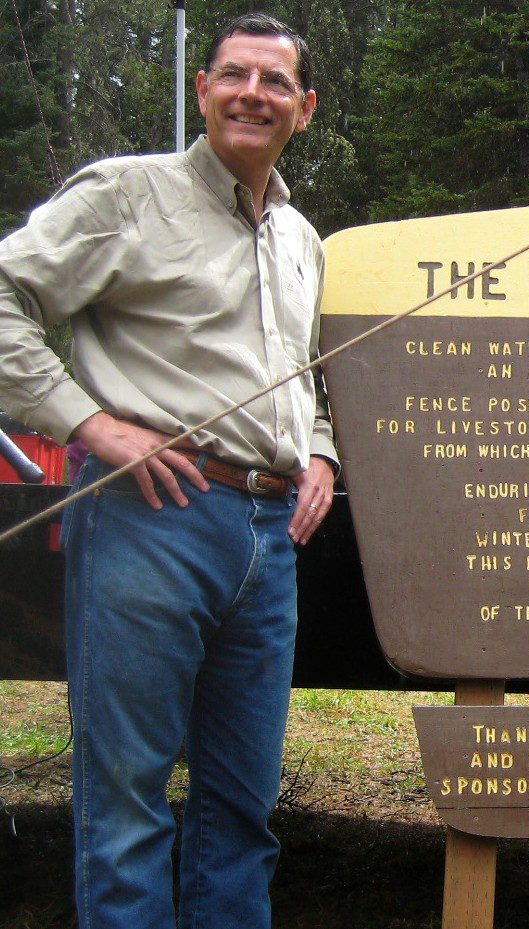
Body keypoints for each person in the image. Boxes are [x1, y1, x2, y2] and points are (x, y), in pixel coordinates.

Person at [0, 13, 335, 928]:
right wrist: (88, 422)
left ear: (302, 110)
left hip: (270, 539)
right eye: (234, 75)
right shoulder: (124, 195)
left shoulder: (302, 239)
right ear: (203, 88)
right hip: (150, 518)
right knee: (126, 799)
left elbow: (309, 372)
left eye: (274, 83)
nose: (251, 94)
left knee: (243, 803)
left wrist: (320, 448)